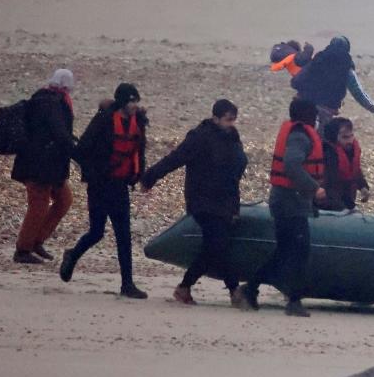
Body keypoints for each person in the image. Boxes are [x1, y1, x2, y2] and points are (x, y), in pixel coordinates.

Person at [140, 99, 248, 306]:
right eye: (228, 120)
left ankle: (186, 287)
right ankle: (234, 291)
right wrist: (150, 177)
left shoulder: (232, 136)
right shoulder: (199, 137)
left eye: (234, 120)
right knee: (217, 243)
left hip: (225, 200)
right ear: (215, 118)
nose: (231, 124)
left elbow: (235, 172)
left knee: (216, 245)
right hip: (202, 199)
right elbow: (175, 159)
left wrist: (234, 205)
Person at [236, 99, 327, 317]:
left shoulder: (297, 133)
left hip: (289, 201)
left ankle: (250, 289)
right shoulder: (300, 136)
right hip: (289, 202)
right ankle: (292, 301)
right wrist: (314, 188)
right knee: (299, 251)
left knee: (286, 251)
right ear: (308, 116)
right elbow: (291, 164)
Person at [60, 83, 149, 299]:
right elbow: (80, 151)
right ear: (121, 102)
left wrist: (140, 175)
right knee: (97, 232)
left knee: (123, 235)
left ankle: (127, 284)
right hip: (100, 185)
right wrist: (95, 172)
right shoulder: (103, 120)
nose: (134, 105)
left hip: (120, 186)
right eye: (131, 101)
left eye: (136, 100)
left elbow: (140, 151)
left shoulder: (138, 123)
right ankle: (72, 255)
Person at [12, 69, 76, 264]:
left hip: (50, 166)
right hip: (39, 166)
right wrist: (78, 151)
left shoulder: (48, 100)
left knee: (64, 200)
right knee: (38, 205)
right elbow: (59, 133)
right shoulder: (50, 103)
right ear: (65, 85)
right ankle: (23, 249)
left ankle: (36, 241)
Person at [290, 36, 374, 129]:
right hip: (324, 112)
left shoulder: (318, 59)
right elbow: (358, 93)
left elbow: (298, 79)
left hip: (301, 106)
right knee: (321, 142)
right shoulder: (346, 68)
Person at [315, 117, 369, 212]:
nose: (350, 141)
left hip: (345, 200)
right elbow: (330, 186)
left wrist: (363, 186)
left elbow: (355, 171)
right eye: (345, 137)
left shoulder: (350, 151)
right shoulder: (327, 154)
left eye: (351, 136)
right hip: (328, 205)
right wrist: (344, 207)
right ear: (334, 138)